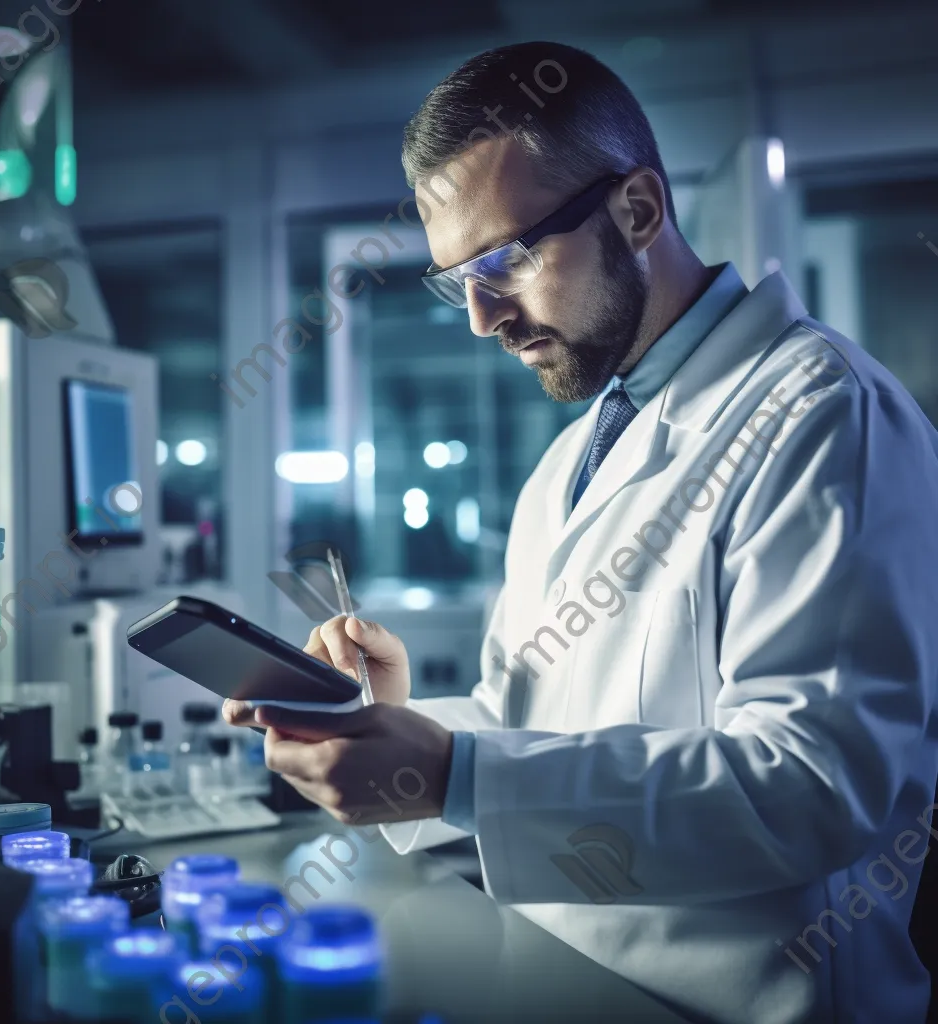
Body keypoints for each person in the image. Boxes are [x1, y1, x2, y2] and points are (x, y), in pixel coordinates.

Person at [224, 41, 938, 1024]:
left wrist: (450, 771)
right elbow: (542, 736)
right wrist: (408, 730)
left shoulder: (823, 411)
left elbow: (811, 785)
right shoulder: (570, 462)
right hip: (558, 977)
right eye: (452, 280)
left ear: (638, 209)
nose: (479, 319)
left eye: (505, 259)